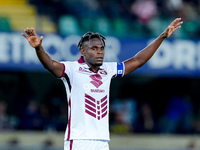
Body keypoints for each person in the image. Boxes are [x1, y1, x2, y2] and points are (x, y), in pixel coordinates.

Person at [22, 18, 183, 150]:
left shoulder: (108, 69)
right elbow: (50, 64)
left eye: (102, 48)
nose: (99, 52)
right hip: (78, 141)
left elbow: (138, 60)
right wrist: (39, 49)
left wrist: (162, 36)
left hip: (102, 141)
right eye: (94, 48)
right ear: (83, 51)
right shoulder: (72, 69)